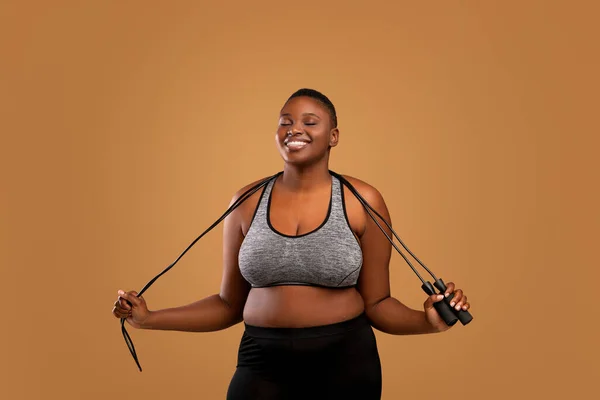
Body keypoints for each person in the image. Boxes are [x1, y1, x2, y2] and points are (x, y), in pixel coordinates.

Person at [111, 88, 471, 399]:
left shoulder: (362, 200)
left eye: (309, 121)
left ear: (333, 136)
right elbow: (227, 305)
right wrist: (149, 318)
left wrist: (426, 322)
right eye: (285, 121)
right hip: (260, 363)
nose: (294, 128)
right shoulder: (246, 201)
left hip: (345, 363)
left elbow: (376, 303)